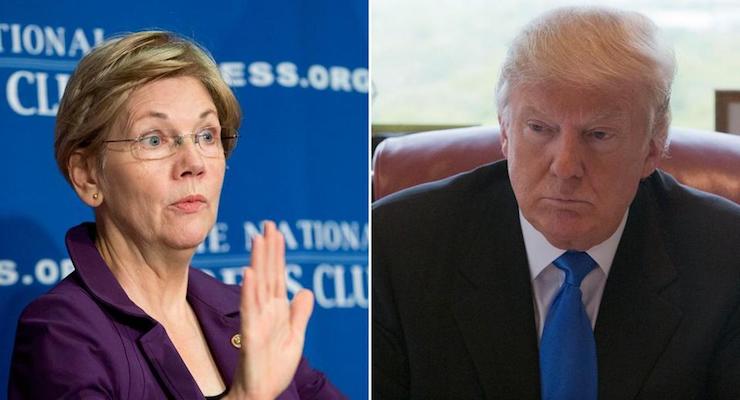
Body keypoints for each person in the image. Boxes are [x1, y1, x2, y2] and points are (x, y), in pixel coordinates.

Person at [372, 6, 740, 400]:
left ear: (652, 147)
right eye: (539, 129)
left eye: (598, 134)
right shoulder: (397, 247)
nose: (565, 167)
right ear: (505, 132)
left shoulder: (725, 257)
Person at [9, 31, 345, 400]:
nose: (193, 163)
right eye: (153, 139)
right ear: (88, 174)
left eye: (206, 136)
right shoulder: (61, 334)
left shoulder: (242, 312)